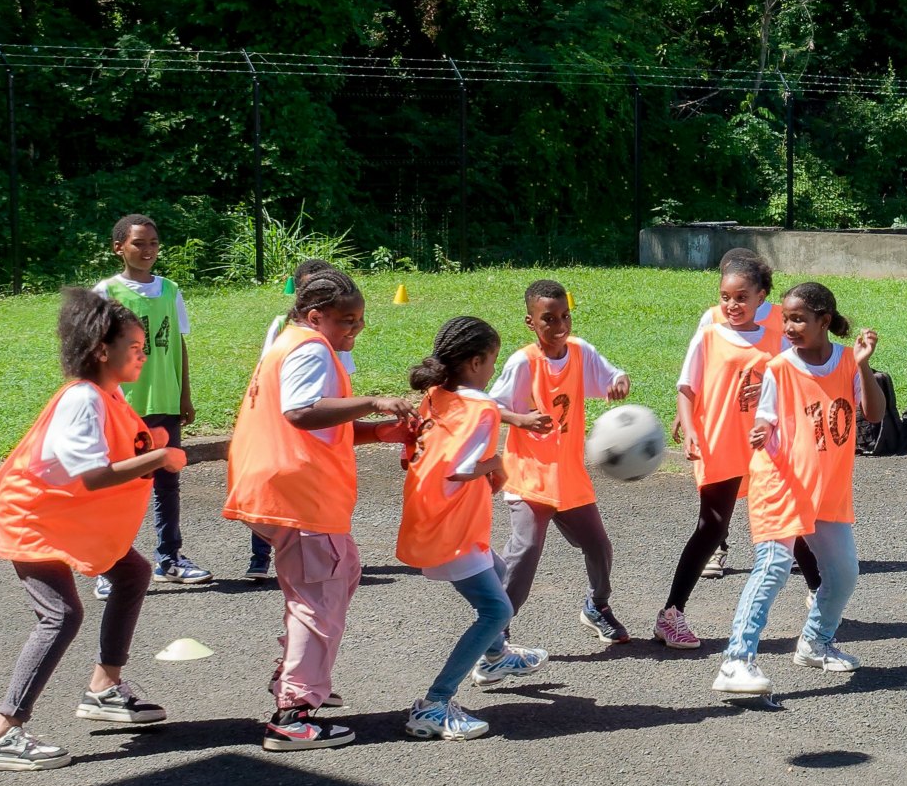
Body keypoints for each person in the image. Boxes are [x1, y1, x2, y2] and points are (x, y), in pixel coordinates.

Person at [0, 288, 183, 770]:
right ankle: (1, 735)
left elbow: (116, 450)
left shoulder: (109, 394)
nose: (142, 353)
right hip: (34, 519)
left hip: (62, 519)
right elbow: (93, 474)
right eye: (134, 346)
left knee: (131, 573)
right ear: (101, 351)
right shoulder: (81, 399)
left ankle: (105, 686)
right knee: (60, 616)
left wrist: (155, 442)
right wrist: (161, 456)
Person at [222, 267, 419, 751]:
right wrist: (373, 402)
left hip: (284, 489)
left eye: (359, 320)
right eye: (348, 321)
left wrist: (379, 430)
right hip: (298, 494)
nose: (357, 329)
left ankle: (293, 679)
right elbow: (301, 411)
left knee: (341, 573)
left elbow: (321, 422)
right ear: (316, 316)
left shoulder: (294, 342)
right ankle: (293, 713)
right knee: (319, 597)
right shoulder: (310, 347)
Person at [712, 282, 884, 697]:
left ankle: (815, 642)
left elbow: (874, 415)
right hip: (780, 481)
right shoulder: (779, 368)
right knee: (772, 567)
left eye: (798, 319)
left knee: (843, 574)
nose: (788, 326)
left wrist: (863, 365)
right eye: (786, 318)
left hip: (825, 488)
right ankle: (736, 662)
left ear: (824, 321)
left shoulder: (847, 362)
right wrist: (760, 427)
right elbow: (767, 418)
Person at [660, 250, 820, 648]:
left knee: (792, 523)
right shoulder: (709, 335)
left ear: (761, 297)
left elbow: (798, 379)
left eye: (742, 297)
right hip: (721, 441)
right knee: (712, 528)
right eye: (726, 297)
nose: (732, 305)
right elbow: (686, 387)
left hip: (768, 444)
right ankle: (670, 615)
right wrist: (691, 426)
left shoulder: (777, 338)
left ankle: (821, 598)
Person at [487, 278, 633, 648]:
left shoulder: (581, 351)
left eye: (565, 316)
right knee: (525, 553)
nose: (560, 326)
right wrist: (519, 419)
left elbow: (611, 375)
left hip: (568, 476)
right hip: (529, 476)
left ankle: (597, 606)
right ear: (530, 322)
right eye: (548, 319)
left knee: (599, 546)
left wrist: (620, 380)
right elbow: (489, 407)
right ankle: (495, 630)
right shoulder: (524, 362)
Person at [397, 316, 516, 742]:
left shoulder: (435, 394)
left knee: (498, 571)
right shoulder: (481, 408)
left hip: (429, 516)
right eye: (493, 362)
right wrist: (497, 464)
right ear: (477, 361)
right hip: (451, 526)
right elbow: (462, 468)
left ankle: (496, 655)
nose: (493, 371)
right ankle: (434, 703)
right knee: (496, 610)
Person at [94, 214, 210, 589]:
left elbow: (178, 342)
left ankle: (169, 558)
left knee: (167, 482)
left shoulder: (171, 290)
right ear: (119, 248)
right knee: (120, 487)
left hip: (164, 401)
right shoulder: (106, 293)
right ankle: (107, 564)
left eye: (153, 243)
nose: (147, 251)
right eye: (138, 243)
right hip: (125, 407)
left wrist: (184, 393)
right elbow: (94, 353)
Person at [242, 257, 341, 582]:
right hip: (290, 455)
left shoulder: (333, 335)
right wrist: (371, 404)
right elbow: (291, 397)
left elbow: (336, 390)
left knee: (336, 572)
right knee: (277, 502)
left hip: (306, 455)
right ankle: (260, 558)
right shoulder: (295, 336)